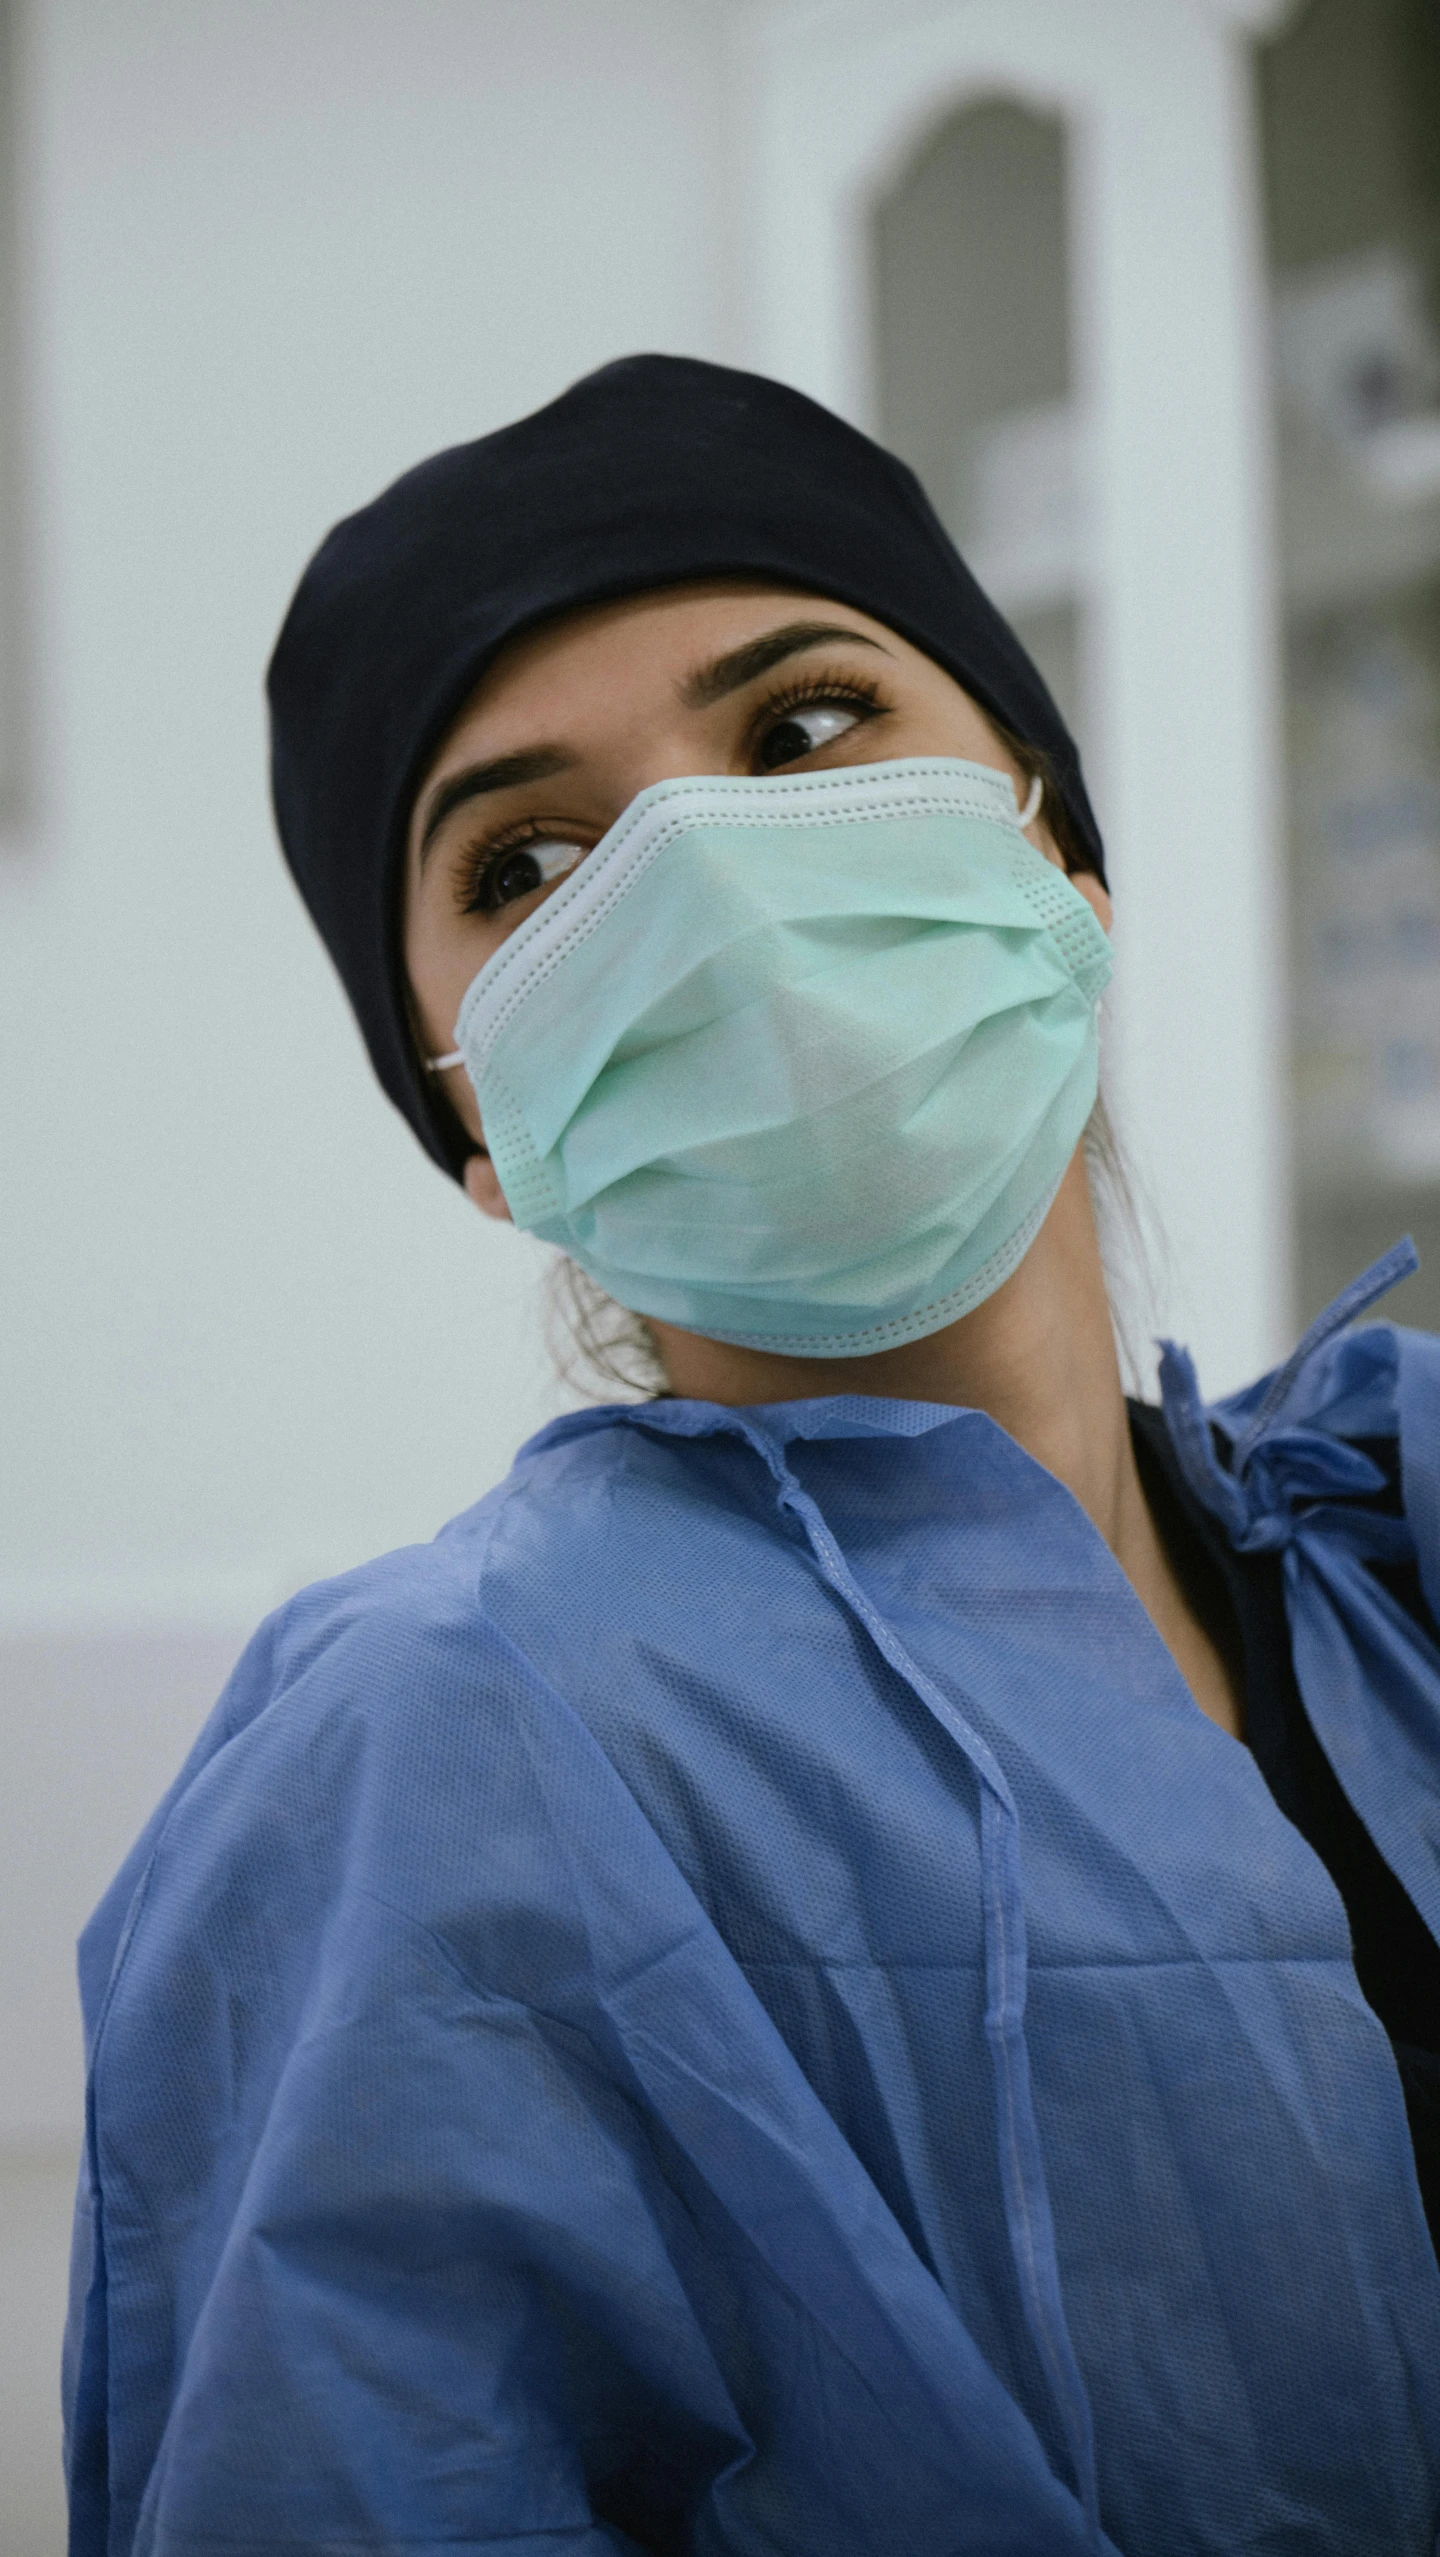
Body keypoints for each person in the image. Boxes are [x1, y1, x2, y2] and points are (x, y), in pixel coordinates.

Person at [64, 356, 1440, 2557]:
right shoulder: (436, 1756)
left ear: (1059, 847)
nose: (704, 881)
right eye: (528, 859)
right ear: (480, 1130)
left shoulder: (1393, 1543)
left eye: (803, 726)